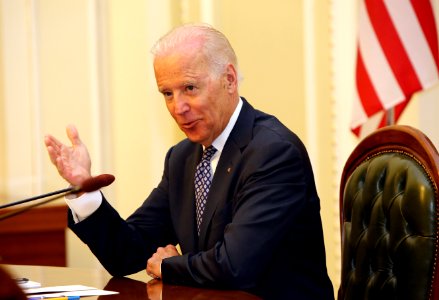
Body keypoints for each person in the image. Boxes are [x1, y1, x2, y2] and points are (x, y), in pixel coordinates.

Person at [44, 23, 334, 299]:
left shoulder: (273, 152)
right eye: (167, 94)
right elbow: (126, 254)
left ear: (229, 80)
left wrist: (170, 266)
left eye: (190, 89)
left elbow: (235, 266)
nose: (177, 108)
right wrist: (85, 191)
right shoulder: (182, 158)